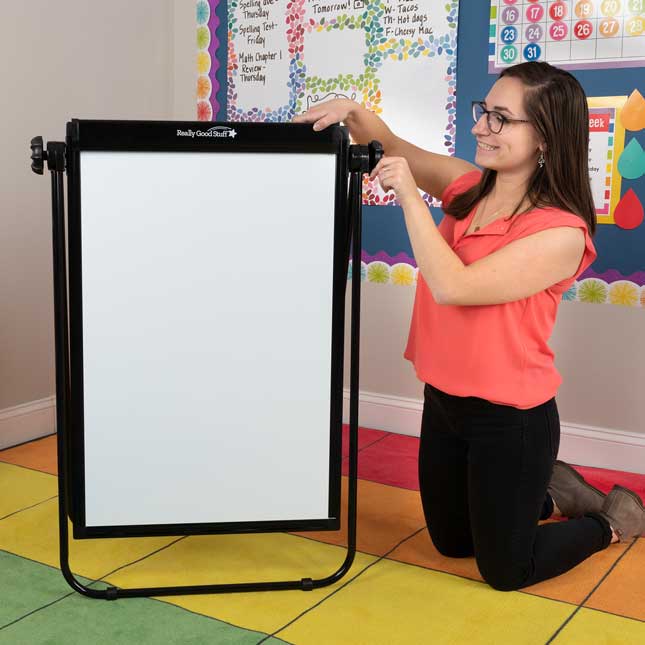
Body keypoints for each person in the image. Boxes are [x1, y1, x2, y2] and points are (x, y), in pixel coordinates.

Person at [293, 61, 645, 591]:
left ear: (545, 137)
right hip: (444, 400)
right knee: (452, 542)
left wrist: (411, 195)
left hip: (512, 417)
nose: (481, 126)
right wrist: (353, 111)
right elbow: (390, 144)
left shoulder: (561, 233)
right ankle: (550, 497)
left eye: (501, 119)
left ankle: (611, 521)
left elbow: (455, 286)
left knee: (507, 569)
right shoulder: (469, 188)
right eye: (485, 111)